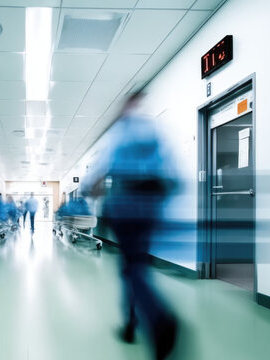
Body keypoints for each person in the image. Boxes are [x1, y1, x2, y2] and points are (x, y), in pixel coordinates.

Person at [81, 91, 179, 360]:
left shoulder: (119, 131)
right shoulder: (155, 130)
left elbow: (96, 173)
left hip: (125, 207)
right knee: (138, 266)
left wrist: (88, 190)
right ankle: (132, 322)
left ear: (125, 106)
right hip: (151, 207)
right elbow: (174, 175)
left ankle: (154, 319)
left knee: (131, 269)